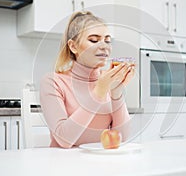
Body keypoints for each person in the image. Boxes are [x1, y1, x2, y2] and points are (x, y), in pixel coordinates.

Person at [40, 11, 135, 148]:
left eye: (107, 41)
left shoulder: (107, 80)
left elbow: (122, 138)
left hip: (99, 163)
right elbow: (64, 140)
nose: (104, 46)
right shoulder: (53, 81)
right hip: (62, 164)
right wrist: (99, 92)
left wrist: (116, 92)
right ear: (73, 46)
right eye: (94, 40)